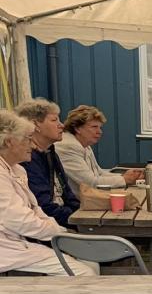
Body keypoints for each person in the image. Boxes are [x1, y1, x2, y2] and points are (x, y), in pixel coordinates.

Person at [0, 110, 96, 276]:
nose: (32, 145)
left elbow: (35, 209)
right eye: (27, 139)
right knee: (84, 274)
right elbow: (19, 220)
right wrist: (59, 233)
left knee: (91, 260)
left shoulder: (17, 170)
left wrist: (58, 231)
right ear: (9, 142)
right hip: (8, 251)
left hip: (22, 243)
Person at [15, 98, 81, 227]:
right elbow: (44, 206)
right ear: (36, 125)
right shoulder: (27, 160)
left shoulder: (50, 151)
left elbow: (67, 193)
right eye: (54, 120)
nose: (61, 125)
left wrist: (81, 214)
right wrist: (78, 220)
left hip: (65, 219)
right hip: (52, 226)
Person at [55, 105, 143, 196]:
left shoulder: (84, 144)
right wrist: (124, 179)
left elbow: (98, 173)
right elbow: (90, 182)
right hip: (77, 205)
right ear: (77, 128)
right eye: (94, 127)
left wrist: (126, 177)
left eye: (100, 127)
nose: (99, 131)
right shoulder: (68, 146)